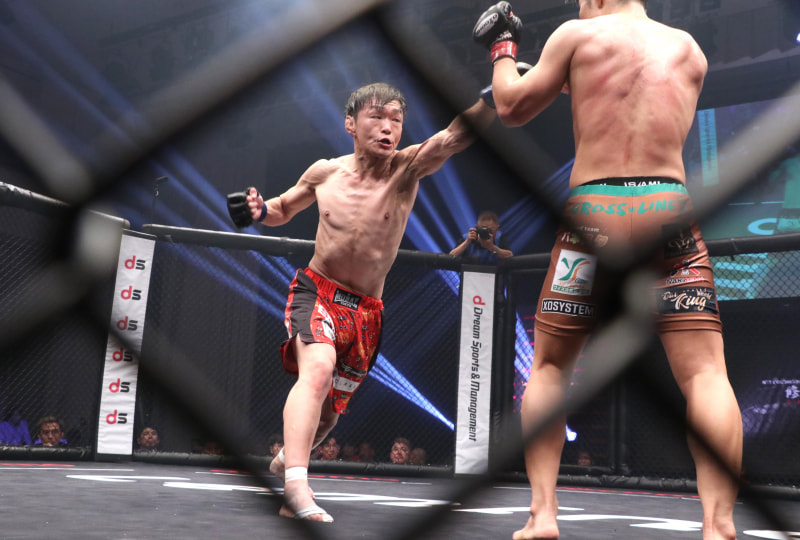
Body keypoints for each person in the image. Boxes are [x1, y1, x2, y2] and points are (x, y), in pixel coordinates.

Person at [472, 2, 743, 539]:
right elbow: (638, 97)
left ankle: (543, 515)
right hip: (667, 212)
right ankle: (720, 524)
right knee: (706, 375)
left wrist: (503, 49)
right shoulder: (690, 50)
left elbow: (510, 106)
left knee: (551, 368)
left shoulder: (577, 35)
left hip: (594, 215)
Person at [226, 82, 496, 522]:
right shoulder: (325, 172)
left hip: (366, 312)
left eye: (396, 120)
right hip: (317, 290)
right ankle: (296, 486)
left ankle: (287, 458)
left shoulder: (406, 169)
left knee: (329, 418)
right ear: (350, 124)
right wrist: (259, 211)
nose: (388, 128)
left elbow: (453, 137)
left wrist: (490, 101)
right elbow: (283, 208)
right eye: (377, 117)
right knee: (317, 370)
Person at [449, 210, 514, 262]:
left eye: (490, 230)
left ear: (497, 228)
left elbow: (510, 255)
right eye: (484, 229)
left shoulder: (499, 238)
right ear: (477, 227)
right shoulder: (467, 237)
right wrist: (467, 242)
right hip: (469, 272)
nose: (487, 233)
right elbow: (451, 256)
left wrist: (491, 247)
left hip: (493, 272)